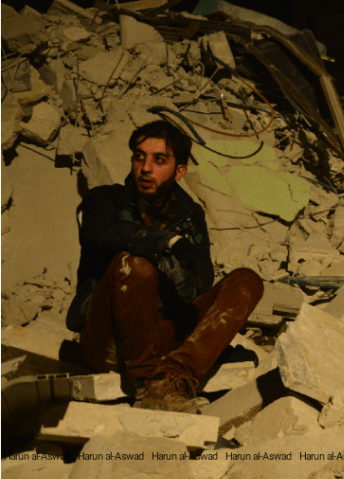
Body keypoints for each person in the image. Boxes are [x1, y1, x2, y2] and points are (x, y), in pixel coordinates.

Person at [66, 120, 264, 413]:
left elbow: (200, 282)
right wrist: (167, 243)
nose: (146, 168)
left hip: (164, 334)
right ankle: (146, 384)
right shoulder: (105, 200)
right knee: (134, 264)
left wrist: (182, 270)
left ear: (179, 171)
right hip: (109, 339)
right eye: (139, 157)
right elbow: (102, 234)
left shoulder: (190, 215)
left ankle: (171, 378)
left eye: (159, 160)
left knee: (247, 281)